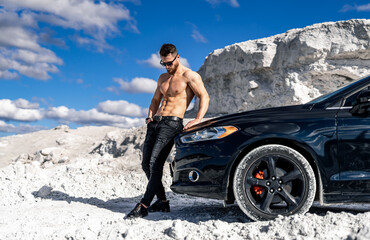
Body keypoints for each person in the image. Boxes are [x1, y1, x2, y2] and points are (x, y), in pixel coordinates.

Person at [126, 43, 210, 218]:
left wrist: (198, 119)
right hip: (155, 123)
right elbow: (155, 99)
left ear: (177, 57)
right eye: (163, 63)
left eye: (169, 63)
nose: (167, 66)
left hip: (172, 124)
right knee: (146, 165)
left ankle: (144, 204)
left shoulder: (190, 76)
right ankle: (163, 202)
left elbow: (204, 96)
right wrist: (149, 117)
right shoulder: (162, 78)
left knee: (155, 163)